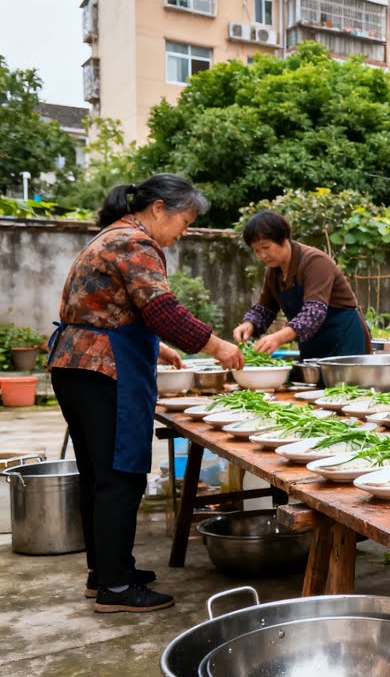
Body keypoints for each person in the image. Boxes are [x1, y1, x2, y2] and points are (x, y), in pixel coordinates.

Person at [48, 174, 243, 613]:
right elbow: (162, 309)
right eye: (185, 222)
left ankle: (106, 572)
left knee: (99, 474)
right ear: (159, 208)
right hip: (102, 368)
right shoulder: (136, 242)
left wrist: (160, 348)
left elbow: (112, 308)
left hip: (76, 365)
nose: (183, 233)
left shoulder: (113, 235)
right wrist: (217, 345)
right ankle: (116, 589)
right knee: (120, 475)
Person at [232, 210, 371, 358]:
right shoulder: (274, 271)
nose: (262, 256)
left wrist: (279, 337)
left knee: (347, 382)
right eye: (257, 251)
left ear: (284, 238)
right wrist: (250, 324)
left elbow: (314, 312)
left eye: (266, 247)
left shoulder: (315, 262)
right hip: (313, 343)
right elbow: (265, 308)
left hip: (344, 339)